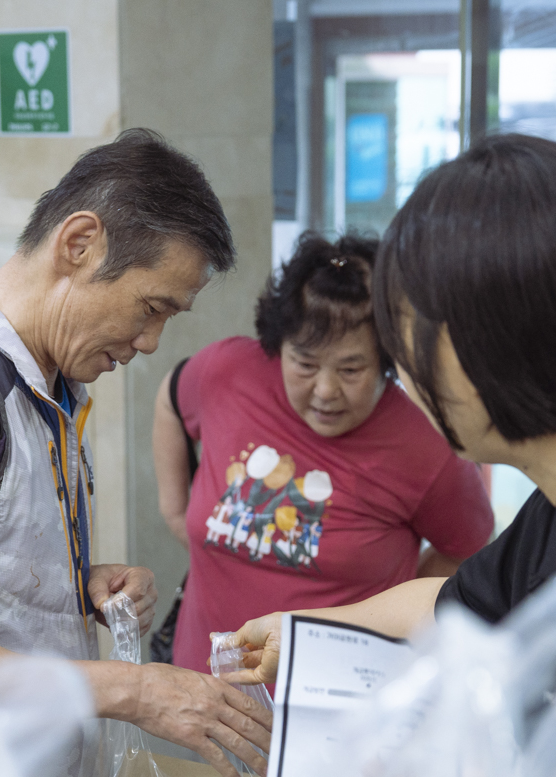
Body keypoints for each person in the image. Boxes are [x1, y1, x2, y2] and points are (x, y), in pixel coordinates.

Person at [0, 129, 270, 777]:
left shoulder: (44, 385)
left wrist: (68, 587)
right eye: (151, 308)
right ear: (79, 243)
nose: (151, 342)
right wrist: (136, 690)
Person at [225, 135, 556, 676]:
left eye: (409, 337)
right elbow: (449, 607)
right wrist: (296, 633)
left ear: (494, 336)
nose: (405, 371)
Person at [151, 232, 494, 673]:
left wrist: (397, 606)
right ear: (279, 346)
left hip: (336, 694)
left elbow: (467, 546)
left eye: (351, 369)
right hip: (202, 683)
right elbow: (171, 398)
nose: (326, 390)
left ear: (388, 360)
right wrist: (176, 511)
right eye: (305, 364)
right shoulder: (227, 372)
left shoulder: (427, 445)